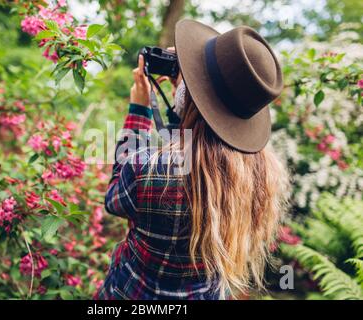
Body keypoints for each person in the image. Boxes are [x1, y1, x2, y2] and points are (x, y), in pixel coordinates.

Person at [95, 19, 290, 300]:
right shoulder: (263, 174)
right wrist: (191, 94)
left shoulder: (148, 167)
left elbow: (116, 199)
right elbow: (205, 146)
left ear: (187, 96)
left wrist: (140, 109)